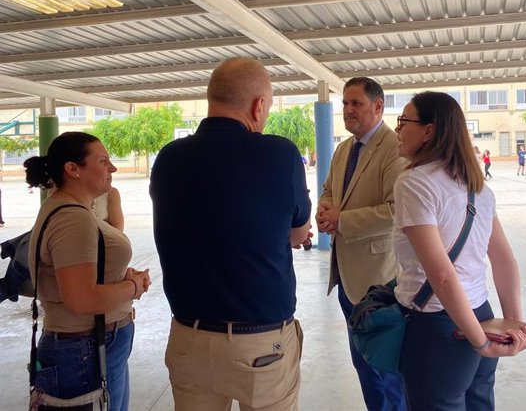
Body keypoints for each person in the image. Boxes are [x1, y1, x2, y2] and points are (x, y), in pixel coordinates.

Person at [150, 58, 311, 411]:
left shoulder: (168, 158)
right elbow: (299, 233)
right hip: (259, 342)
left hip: (188, 339)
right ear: (259, 106)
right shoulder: (279, 154)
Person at [393, 92, 526, 410]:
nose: (397, 130)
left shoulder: (414, 184)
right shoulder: (478, 188)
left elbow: (442, 275)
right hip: (481, 315)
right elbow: (503, 259)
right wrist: (509, 323)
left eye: (404, 121)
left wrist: (481, 341)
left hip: (439, 329)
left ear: (428, 130)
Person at [24, 132, 150, 411]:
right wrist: (134, 286)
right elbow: (81, 299)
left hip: (91, 346)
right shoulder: (72, 218)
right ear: (73, 169)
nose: (113, 168)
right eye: (103, 161)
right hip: (84, 349)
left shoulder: (74, 210)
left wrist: (121, 275)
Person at [317, 77, 408, 411]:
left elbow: (397, 211)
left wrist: (342, 220)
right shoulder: (344, 149)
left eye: (355, 103)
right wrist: (325, 211)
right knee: (363, 365)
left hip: (379, 282)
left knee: (387, 369)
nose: (348, 110)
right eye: (344, 103)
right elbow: (328, 190)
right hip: (346, 279)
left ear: (378, 106)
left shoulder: (393, 148)